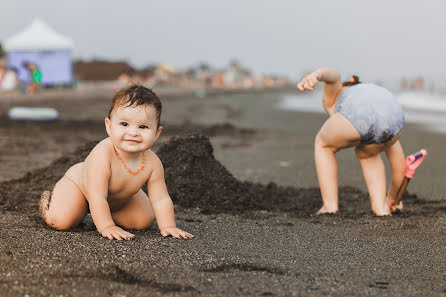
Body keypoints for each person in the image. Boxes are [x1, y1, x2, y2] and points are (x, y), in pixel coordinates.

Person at [39, 85, 194, 240]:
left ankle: (103, 212)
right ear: (109, 126)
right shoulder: (102, 154)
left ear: (156, 133)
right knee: (60, 221)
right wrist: (107, 226)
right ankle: (52, 204)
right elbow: (97, 195)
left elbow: (161, 198)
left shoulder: (153, 163)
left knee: (143, 220)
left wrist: (168, 226)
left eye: (143, 127)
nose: (133, 133)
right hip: (79, 188)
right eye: (124, 124)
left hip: (116, 200)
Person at [297, 67, 405, 216]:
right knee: (368, 155)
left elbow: (334, 75)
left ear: (349, 82)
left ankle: (330, 206)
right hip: (395, 116)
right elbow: (401, 169)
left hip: (358, 114)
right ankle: (381, 208)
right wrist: (393, 198)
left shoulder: (339, 92)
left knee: (323, 144)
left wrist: (317, 75)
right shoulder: (373, 95)